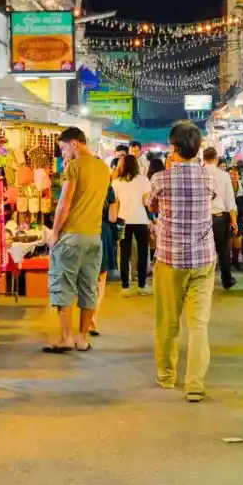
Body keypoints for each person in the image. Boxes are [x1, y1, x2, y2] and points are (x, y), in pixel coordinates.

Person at [150, 121, 216, 402]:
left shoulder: (160, 180)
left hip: (170, 258)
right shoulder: (209, 178)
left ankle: (167, 376)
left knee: (168, 321)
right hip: (203, 259)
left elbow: (152, 205)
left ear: (174, 148)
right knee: (198, 324)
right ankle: (195, 384)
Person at [44, 126, 110, 353]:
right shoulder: (104, 168)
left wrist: (54, 233)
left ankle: (66, 338)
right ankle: (82, 339)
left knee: (62, 285)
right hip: (94, 237)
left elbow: (64, 203)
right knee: (88, 287)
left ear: (74, 143)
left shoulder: (74, 167)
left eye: (64, 147)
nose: (64, 153)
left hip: (71, 236)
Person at [113, 154, 152, 296]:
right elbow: (146, 202)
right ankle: (142, 286)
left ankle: (125, 287)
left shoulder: (116, 182)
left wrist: (115, 221)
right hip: (141, 220)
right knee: (142, 253)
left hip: (122, 220)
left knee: (124, 254)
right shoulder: (143, 180)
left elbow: (116, 205)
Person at [203, 147, 238, 289]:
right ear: (216, 159)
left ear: (203, 159)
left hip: (202, 219)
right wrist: (234, 222)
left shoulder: (199, 174)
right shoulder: (223, 176)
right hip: (220, 219)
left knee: (204, 252)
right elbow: (231, 201)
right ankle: (226, 281)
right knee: (223, 250)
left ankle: (204, 282)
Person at [90, 184, 118, 337]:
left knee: (87, 279)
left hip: (86, 231)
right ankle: (93, 316)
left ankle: (90, 317)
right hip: (104, 233)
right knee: (101, 280)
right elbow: (112, 218)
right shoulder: (108, 189)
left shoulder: (83, 185)